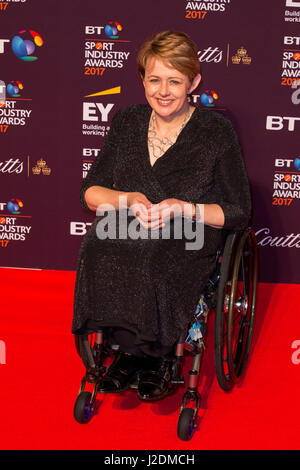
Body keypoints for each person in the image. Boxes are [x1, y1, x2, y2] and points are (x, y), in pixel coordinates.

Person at [72, 30, 252, 401]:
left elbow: (238, 211)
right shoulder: (127, 122)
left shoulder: (215, 131)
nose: (163, 91)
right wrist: (127, 198)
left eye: (175, 81)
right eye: (154, 79)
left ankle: (157, 356)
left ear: (194, 82)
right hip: (131, 220)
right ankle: (123, 352)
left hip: (192, 229)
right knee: (98, 247)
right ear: (142, 80)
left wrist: (181, 207)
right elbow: (89, 193)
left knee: (154, 258)